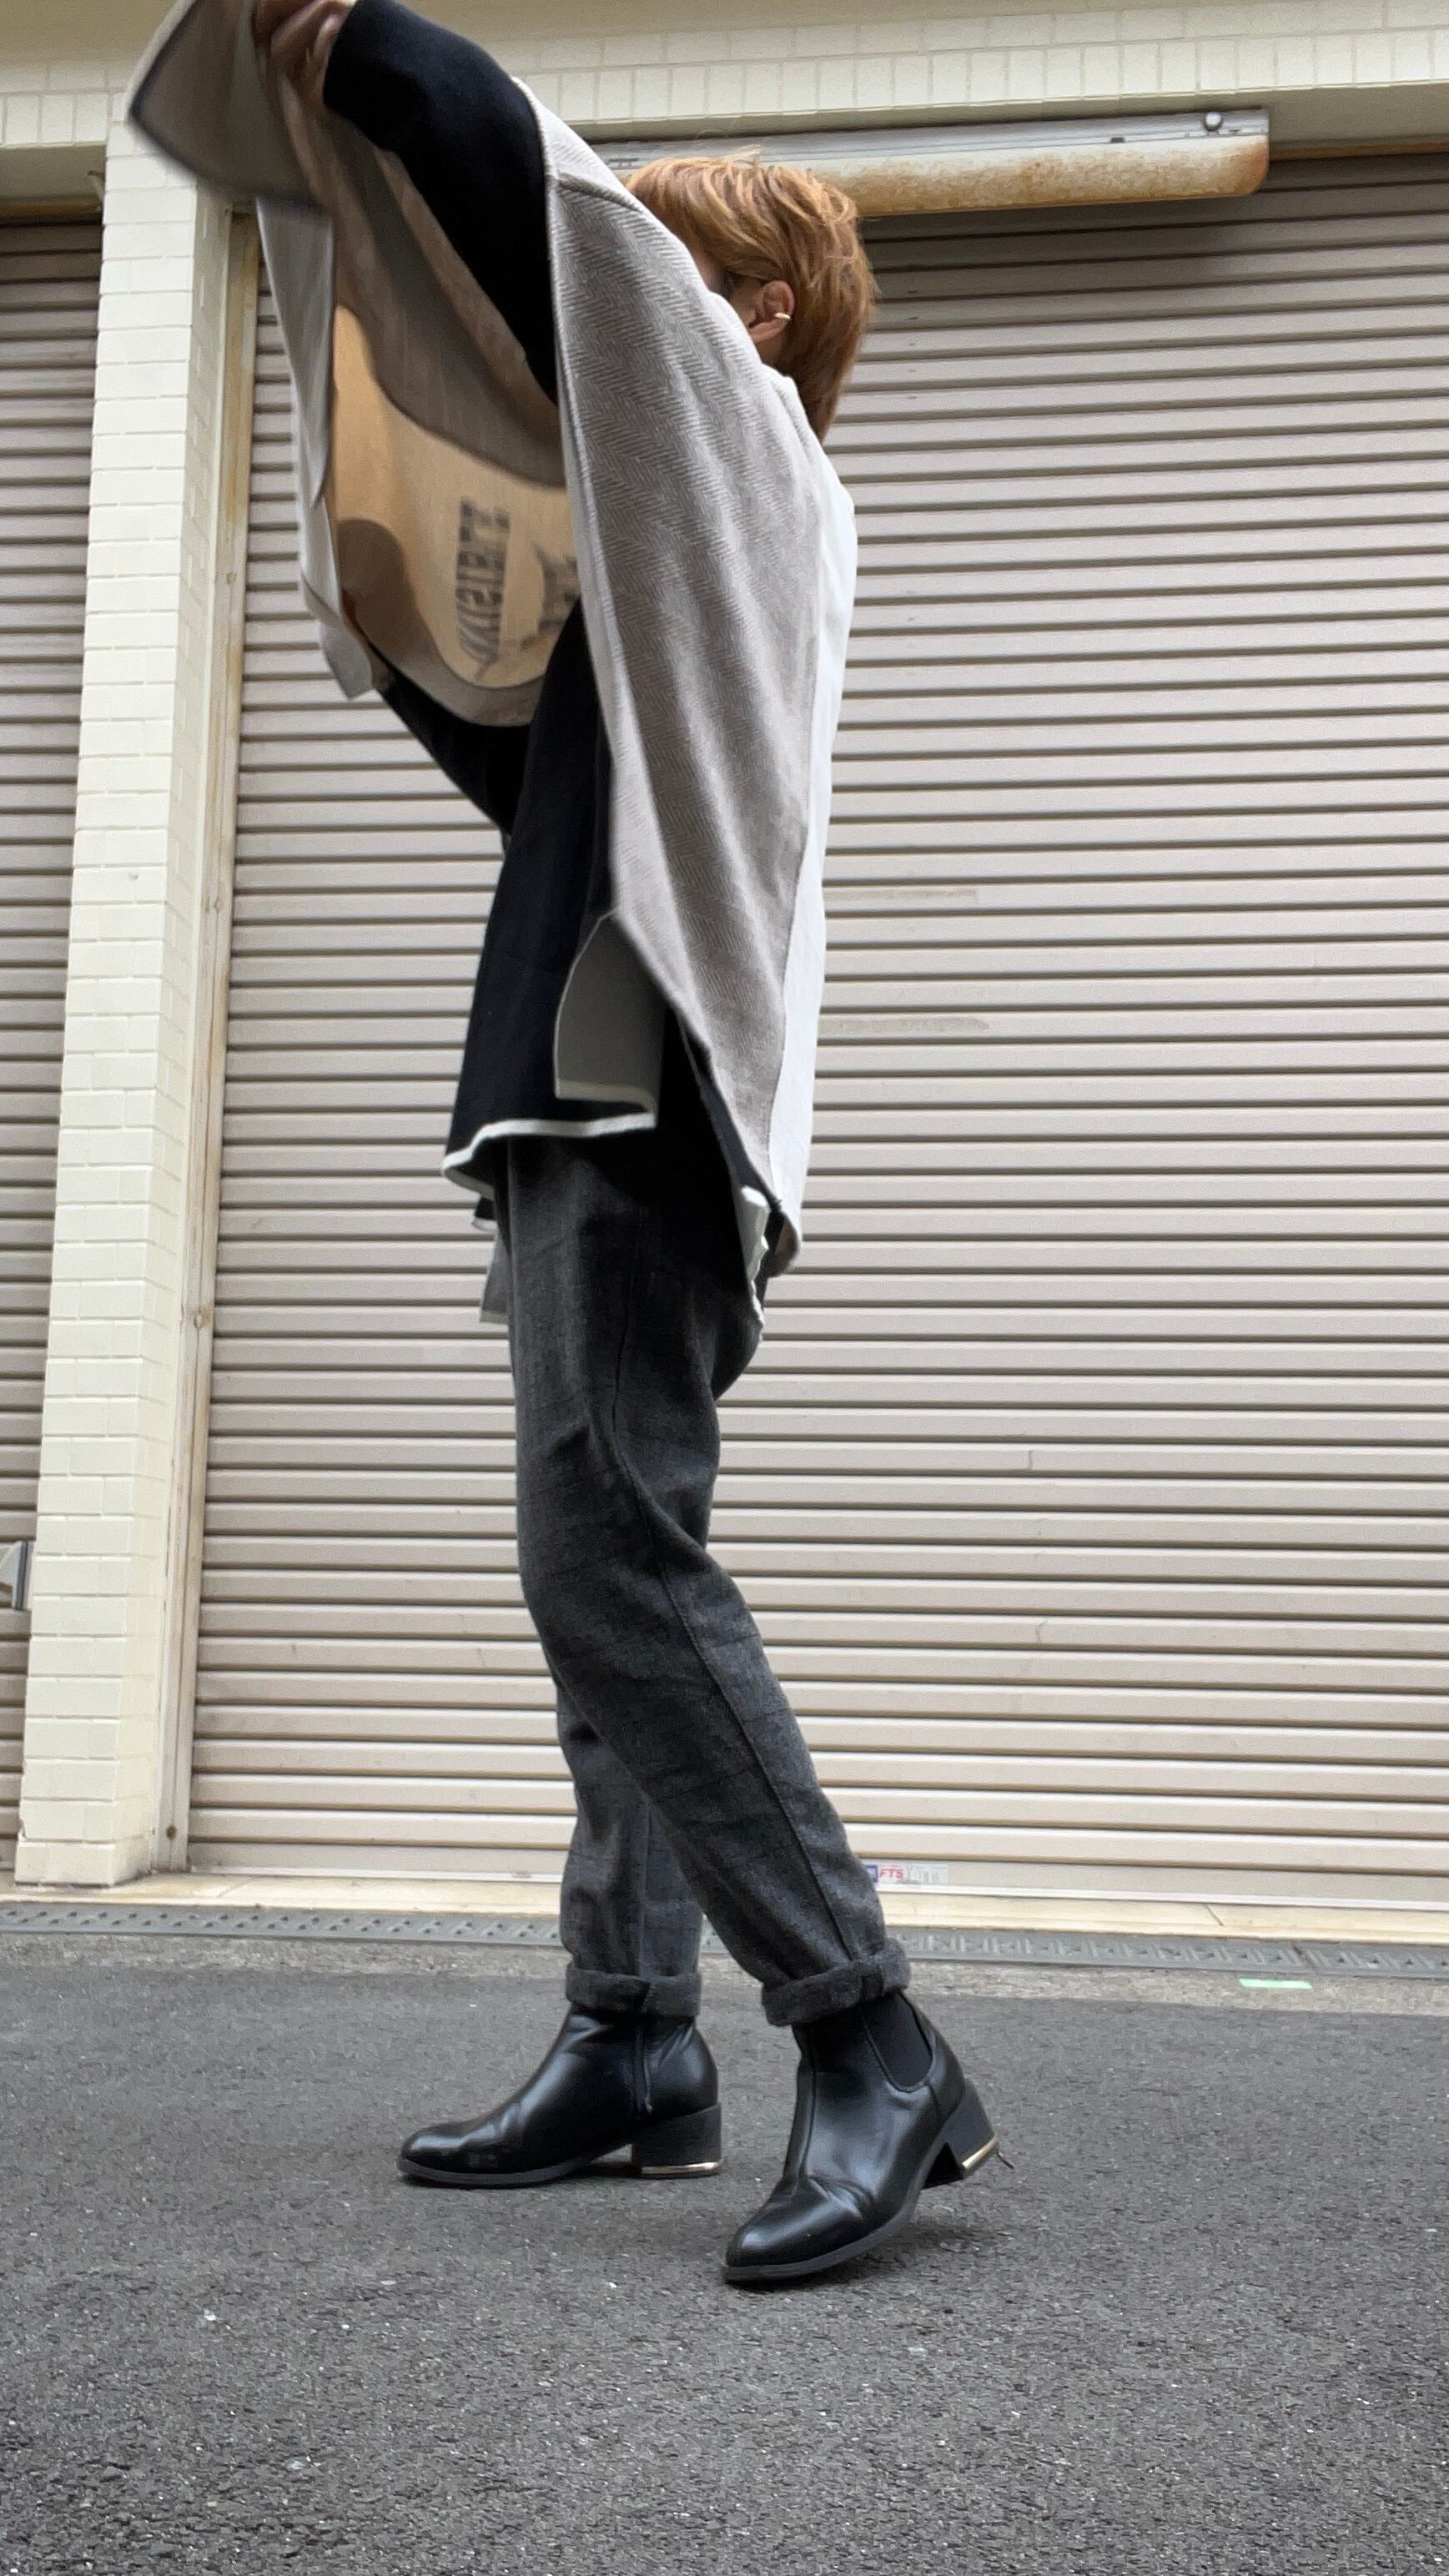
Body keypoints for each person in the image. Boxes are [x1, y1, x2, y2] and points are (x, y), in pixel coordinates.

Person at [239, 0, 1000, 2284]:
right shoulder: (673, 581)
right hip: (586, 1089)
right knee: (609, 1600)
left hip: (640, 1087)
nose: (607, 313)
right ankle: (634, 2040)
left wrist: (363, 46)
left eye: (659, 276)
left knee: (606, 1569)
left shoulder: (747, 455)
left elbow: (523, 191)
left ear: (740, 317)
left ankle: (868, 2030)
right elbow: (526, 774)